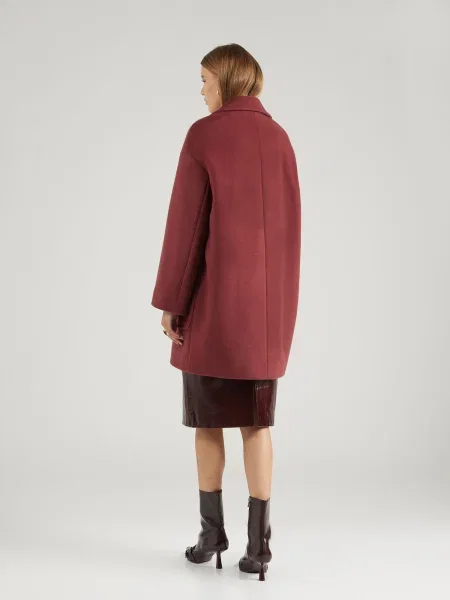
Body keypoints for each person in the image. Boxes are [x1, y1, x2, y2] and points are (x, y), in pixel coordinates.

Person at [151, 43, 301, 582]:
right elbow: (290, 234)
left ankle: (211, 535)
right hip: (266, 320)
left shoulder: (204, 135)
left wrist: (172, 302)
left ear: (226, 79)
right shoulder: (280, 138)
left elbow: (187, 228)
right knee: (257, 426)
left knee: (208, 424)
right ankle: (259, 549)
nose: (201, 90)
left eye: (204, 79)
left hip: (215, 313)